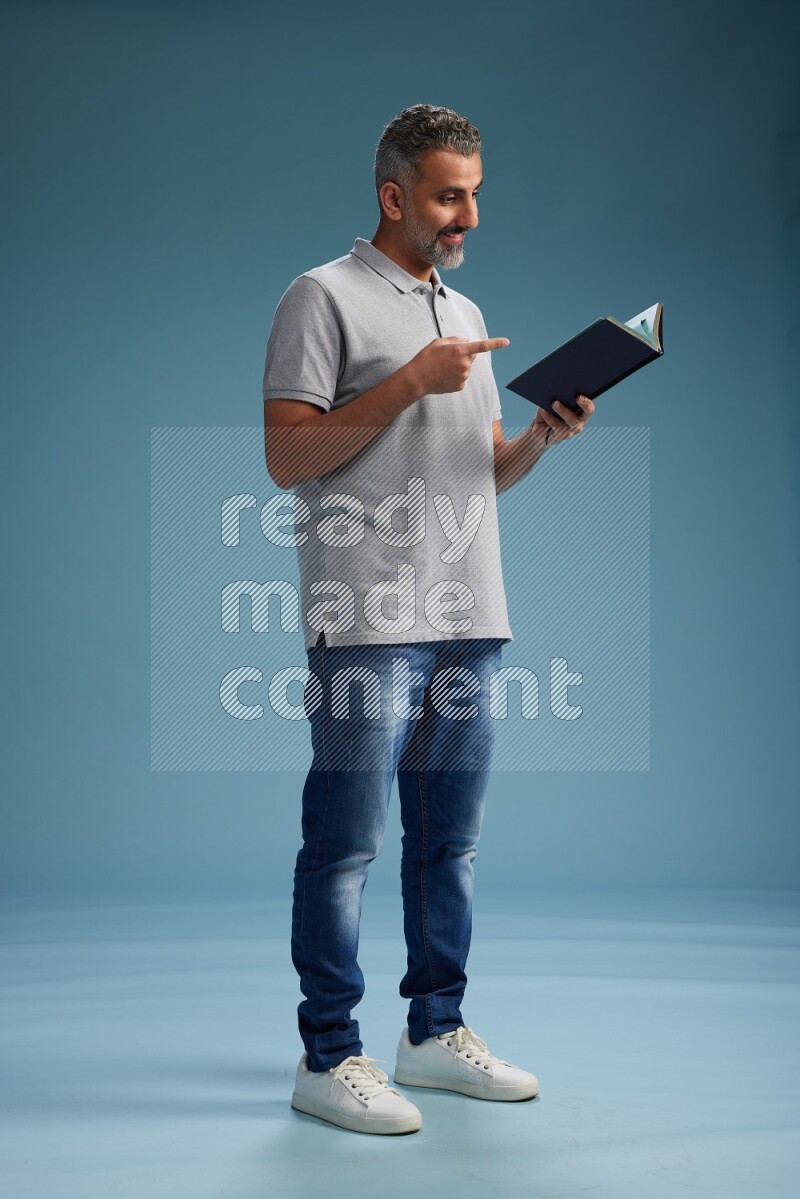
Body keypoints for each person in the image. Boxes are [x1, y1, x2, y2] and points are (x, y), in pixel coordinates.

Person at [262, 103, 594, 1136]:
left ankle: (432, 1031)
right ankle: (329, 1054)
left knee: (448, 843)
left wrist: (538, 437)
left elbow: (478, 470)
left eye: (475, 195)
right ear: (394, 195)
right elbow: (288, 456)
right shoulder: (321, 297)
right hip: (366, 614)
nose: (469, 216)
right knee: (345, 845)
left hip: (468, 612)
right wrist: (409, 381)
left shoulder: (466, 311)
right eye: (451, 196)